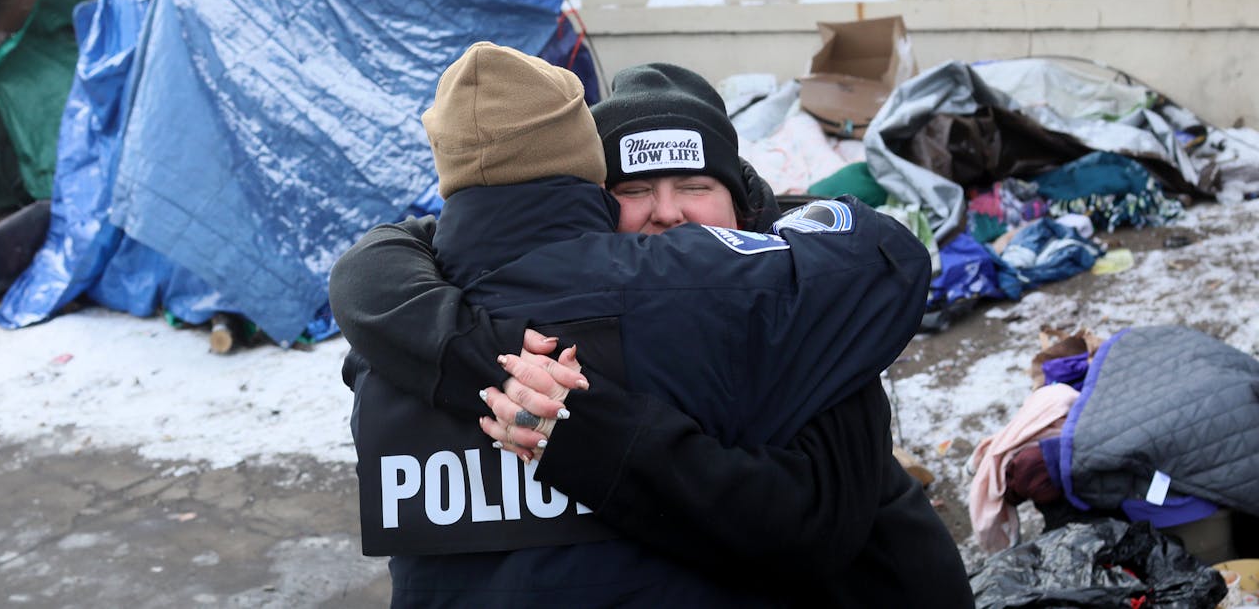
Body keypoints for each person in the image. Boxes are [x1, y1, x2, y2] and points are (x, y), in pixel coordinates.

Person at [332, 46, 971, 606]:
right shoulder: (552, 307)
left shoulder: (797, 318)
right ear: (588, 205)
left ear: (739, 200)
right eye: (634, 189)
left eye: (695, 184)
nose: (669, 214)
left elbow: (817, 525)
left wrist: (571, 428)